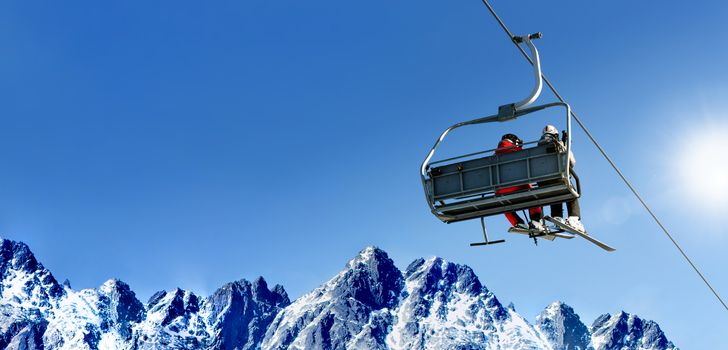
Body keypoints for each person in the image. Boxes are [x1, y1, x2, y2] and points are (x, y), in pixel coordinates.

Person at [538, 125, 585, 232]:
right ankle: (573, 218)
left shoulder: (536, 148)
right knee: (571, 192)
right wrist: (566, 145)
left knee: (555, 192)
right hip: (559, 180)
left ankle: (556, 216)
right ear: (556, 135)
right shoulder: (559, 145)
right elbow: (572, 162)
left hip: (542, 183)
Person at [495, 133, 544, 231]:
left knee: (505, 205)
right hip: (520, 188)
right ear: (515, 141)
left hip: (501, 192)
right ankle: (536, 221)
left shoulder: (493, 156)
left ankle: (517, 223)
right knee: (533, 197)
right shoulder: (518, 151)